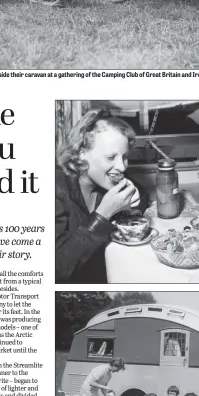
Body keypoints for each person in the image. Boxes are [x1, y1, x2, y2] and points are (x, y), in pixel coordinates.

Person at [55, 109, 143, 283]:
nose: (122, 166)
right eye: (111, 157)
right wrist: (102, 215)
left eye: (125, 157)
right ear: (81, 153)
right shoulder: (56, 188)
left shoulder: (104, 179)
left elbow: (143, 193)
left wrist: (135, 199)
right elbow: (57, 270)